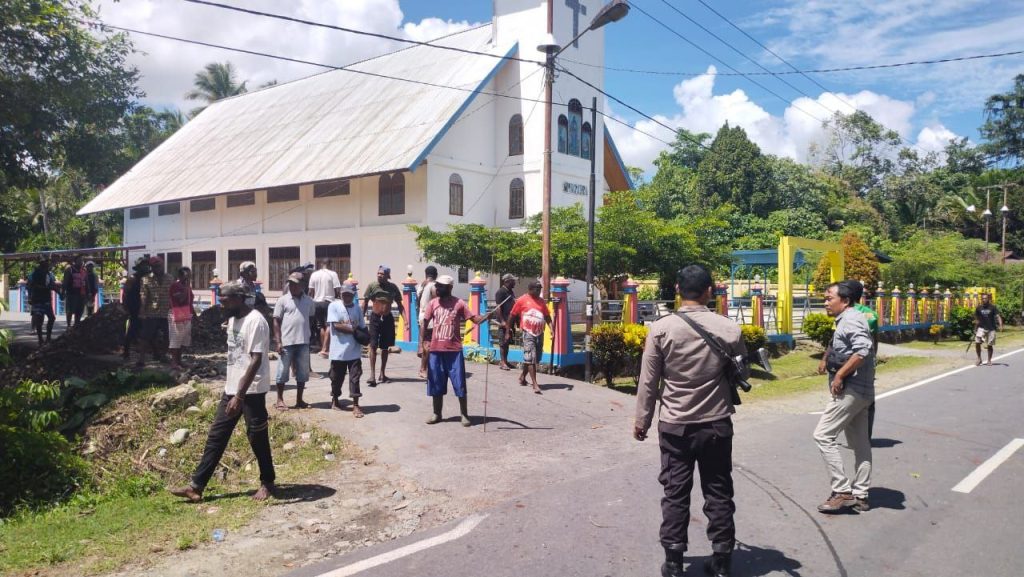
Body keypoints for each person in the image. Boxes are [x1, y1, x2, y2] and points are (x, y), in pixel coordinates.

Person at [633, 264, 747, 577]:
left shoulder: (661, 328)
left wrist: (641, 421)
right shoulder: (730, 329)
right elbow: (743, 374)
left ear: (677, 291)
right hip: (716, 423)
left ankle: (672, 562)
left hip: (675, 425)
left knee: (675, 492)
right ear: (710, 291)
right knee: (719, 490)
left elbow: (648, 381)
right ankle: (722, 561)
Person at [170, 281, 275, 502]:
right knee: (217, 436)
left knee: (257, 436)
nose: (222, 304)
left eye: (225, 300)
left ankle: (267, 481)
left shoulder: (255, 321)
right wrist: (233, 391)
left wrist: (240, 396)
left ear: (238, 298)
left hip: (251, 390)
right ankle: (196, 486)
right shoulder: (233, 320)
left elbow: (256, 359)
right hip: (232, 388)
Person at [814, 281, 875, 514]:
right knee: (860, 444)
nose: (826, 302)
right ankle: (861, 494)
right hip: (863, 390)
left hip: (851, 390)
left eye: (830, 298)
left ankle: (842, 491)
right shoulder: (849, 319)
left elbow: (863, 349)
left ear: (846, 301)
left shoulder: (850, 319)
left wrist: (839, 374)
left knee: (822, 435)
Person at [422, 275, 494, 426]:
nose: (437, 288)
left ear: (449, 288)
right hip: (436, 350)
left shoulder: (459, 303)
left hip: (454, 350)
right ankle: (437, 413)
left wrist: (486, 317)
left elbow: (474, 319)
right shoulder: (432, 303)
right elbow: (425, 323)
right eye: (437, 286)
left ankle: (464, 414)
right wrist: (422, 343)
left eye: (441, 286)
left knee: (459, 383)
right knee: (436, 382)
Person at [273, 272, 313, 410]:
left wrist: (310, 336)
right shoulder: (282, 300)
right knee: (282, 372)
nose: (292, 286)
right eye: (290, 283)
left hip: (303, 342)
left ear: (302, 285)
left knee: (302, 373)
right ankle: (279, 400)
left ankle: (299, 400)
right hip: (287, 342)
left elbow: (311, 318)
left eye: (295, 284)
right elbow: (276, 321)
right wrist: (278, 341)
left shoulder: (308, 301)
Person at [362, 265, 405, 386]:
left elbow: (400, 305)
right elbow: (365, 303)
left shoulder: (393, 288)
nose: (379, 275)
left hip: (387, 319)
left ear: (387, 276)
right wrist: (361, 318)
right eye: (378, 273)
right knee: (373, 346)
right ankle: (372, 375)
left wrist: (406, 321)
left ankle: (382, 373)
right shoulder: (372, 286)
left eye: (382, 274)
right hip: (375, 319)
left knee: (385, 348)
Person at [507, 280, 552, 394]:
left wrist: (552, 329)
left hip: (539, 333)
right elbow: (512, 316)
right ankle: (535, 383)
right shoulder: (522, 300)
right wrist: (508, 331)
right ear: (530, 289)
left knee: (534, 358)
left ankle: (522, 377)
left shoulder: (541, 302)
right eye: (537, 289)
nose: (539, 291)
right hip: (528, 333)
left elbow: (547, 316)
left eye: (540, 289)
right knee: (531, 357)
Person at [328, 283, 366, 417]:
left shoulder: (357, 308)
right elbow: (337, 325)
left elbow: (362, 326)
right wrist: (354, 330)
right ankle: (335, 400)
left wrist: (366, 337)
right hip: (338, 351)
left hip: (354, 350)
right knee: (336, 378)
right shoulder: (333, 306)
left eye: (349, 294)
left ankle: (355, 405)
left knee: (355, 377)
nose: (347, 297)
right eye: (344, 294)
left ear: (353, 294)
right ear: (340, 294)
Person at [138, 256, 171, 367]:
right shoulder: (145, 279)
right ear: (151, 267)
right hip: (151, 312)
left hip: (167, 312)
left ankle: (164, 355)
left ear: (162, 265)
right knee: (146, 336)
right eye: (154, 266)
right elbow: (143, 296)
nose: (157, 268)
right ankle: (141, 359)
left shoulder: (170, 278)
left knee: (168, 335)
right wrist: (142, 311)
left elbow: (172, 295)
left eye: (159, 266)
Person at [308, 260, 341, 357]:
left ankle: (323, 347)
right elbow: (337, 289)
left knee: (320, 326)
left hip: (316, 303)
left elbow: (310, 291)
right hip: (328, 302)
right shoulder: (333, 274)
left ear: (322, 264)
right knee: (329, 325)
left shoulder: (314, 275)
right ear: (330, 264)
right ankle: (326, 349)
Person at [168, 266, 196, 371]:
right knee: (175, 339)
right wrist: (186, 288)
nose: (188, 278)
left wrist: (195, 317)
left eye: (189, 276)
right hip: (176, 313)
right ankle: (174, 362)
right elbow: (181, 299)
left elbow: (190, 302)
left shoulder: (187, 287)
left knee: (183, 339)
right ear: (180, 276)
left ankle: (179, 361)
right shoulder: (175, 286)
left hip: (186, 314)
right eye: (186, 276)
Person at [122, 257, 149, 359]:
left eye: (146, 265)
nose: (146, 267)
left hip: (146, 307)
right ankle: (126, 351)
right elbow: (125, 293)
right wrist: (126, 307)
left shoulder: (148, 278)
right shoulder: (133, 278)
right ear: (138, 267)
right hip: (135, 307)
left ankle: (153, 352)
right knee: (132, 328)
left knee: (148, 329)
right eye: (143, 265)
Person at [27, 258, 59, 345]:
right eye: (47, 262)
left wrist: (58, 290)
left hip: (46, 299)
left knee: (51, 318)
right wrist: (29, 297)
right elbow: (32, 285)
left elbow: (52, 284)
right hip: (38, 299)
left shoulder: (49, 273)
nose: (49, 264)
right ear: (42, 263)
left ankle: (48, 338)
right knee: (39, 319)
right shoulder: (36, 273)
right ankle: (40, 339)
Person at [416, 265, 438, 379]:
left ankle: (425, 368)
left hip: (422, 316)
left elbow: (417, 302)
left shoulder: (421, 285)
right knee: (429, 344)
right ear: (436, 275)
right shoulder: (433, 286)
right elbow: (436, 302)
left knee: (426, 342)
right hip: (430, 319)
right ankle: (424, 368)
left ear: (426, 274)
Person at [493, 274, 517, 371]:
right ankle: (502, 362)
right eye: (512, 281)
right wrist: (502, 321)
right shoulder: (500, 292)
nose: (514, 282)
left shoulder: (510, 291)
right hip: (504, 321)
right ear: (507, 281)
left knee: (507, 342)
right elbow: (498, 307)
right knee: (503, 342)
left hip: (510, 321)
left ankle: (505, 361)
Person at [974, 292, 1003, 366]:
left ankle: (989, 360)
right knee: (977, 343)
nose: (984, 300)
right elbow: (977, 319)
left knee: (990, 345)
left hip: (991, 328)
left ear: (988, 299)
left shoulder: (993, 307)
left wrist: (1001, 325)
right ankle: (979, 358)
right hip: (981, 328)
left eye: (985, 298)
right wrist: (975, 328)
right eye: (983, 298)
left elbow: (998, 316)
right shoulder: (978, 308)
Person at [62, 255, 88, 328]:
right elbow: (65, 282)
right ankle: (69, 325)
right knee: (70, 310)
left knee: (79, 311)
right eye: (79, 260)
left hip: (81, 294)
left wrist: (88, 293)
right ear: (75, 261)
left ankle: (76, 324)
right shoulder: (69, 270)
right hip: (71, 293)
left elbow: (87, 282)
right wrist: (63, 292)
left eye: (82, 260)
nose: (81, 262)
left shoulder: (84, 271)